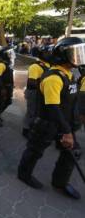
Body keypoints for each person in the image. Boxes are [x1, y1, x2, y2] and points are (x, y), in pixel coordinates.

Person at [17, 37, 85, 200]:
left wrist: (72, 124)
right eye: (74, 53)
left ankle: (59, 182)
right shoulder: (54, 78)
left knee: (73, 152)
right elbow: (52, 108)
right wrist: (66, 132)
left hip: (64, 124)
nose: (79, 57)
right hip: (48, 124)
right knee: (35, 151)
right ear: (64, 55)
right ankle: (24, 174)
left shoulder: (69, 74)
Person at [22, 47, 51, 137]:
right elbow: (32, 81)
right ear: (41, 54)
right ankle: (26, 130)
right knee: (31, 112)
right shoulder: (35, 66)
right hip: (33, 92)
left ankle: (34, 128)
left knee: (38, 112)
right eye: (47, 53)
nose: (49, 54)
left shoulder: (48, 65)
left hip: (40, 92)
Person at [0, 47, 15, 127]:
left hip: (8, 87)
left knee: (8, 102)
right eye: (9, 53)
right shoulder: (0, 64)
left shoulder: (7, 63)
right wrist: (1, 89)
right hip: (2, 88)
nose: (11, 55)